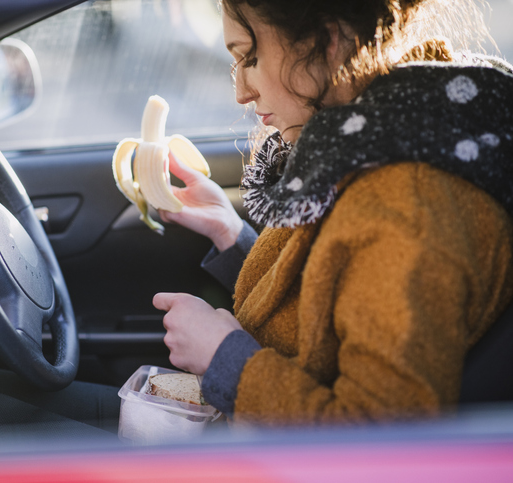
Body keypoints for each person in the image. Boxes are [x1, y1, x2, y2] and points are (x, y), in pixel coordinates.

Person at [153, 0, 513, 424]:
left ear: (328, 40)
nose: (242, 93)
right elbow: (334, 300)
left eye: (250, 57)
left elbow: (379, 437)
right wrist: (231, 234)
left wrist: (223, 357)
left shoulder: (404, 206)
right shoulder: (380, 130)